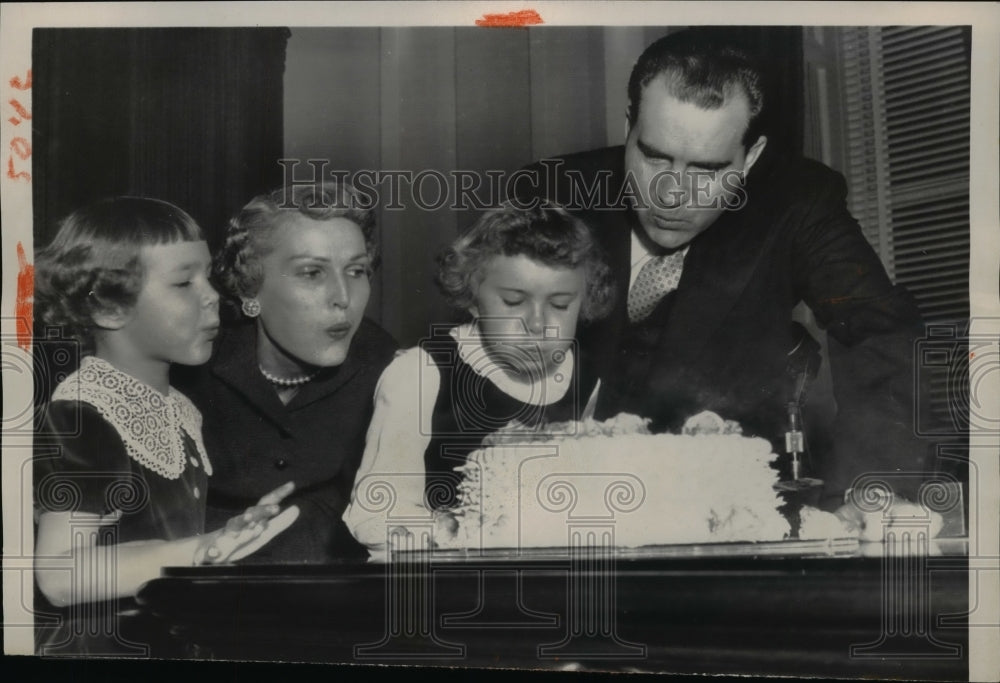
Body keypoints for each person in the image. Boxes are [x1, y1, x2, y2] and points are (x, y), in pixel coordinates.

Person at [514, 28, 931, 522]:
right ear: (628, 123)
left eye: (707, 170)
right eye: (653, 156)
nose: (672, 194)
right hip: (559, 503)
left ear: (750, 158)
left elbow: (878, 332)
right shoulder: (550, 193)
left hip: (723, 508)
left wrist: (875, 485)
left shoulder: (798, 201)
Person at [33, 197, 298, 654]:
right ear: (107, 309)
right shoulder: (85, 413)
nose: (213, 295)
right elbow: (60, 575)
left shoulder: (180, 408)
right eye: (183, 282)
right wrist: (197, 551)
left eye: (208, 276)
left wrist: (220, 542)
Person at [343, 203, 614, 552]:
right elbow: (374, 514)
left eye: (560, 305)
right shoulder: (422, 372)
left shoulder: (590, 376)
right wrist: (462, 533)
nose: (537, 323)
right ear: (472, 299)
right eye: (514, 302)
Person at [176, 182, 398, 563]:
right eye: (312, 273)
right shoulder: (189, 365)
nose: (343, 297)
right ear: (250, 287)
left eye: (357, 270)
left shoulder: (386, 367)